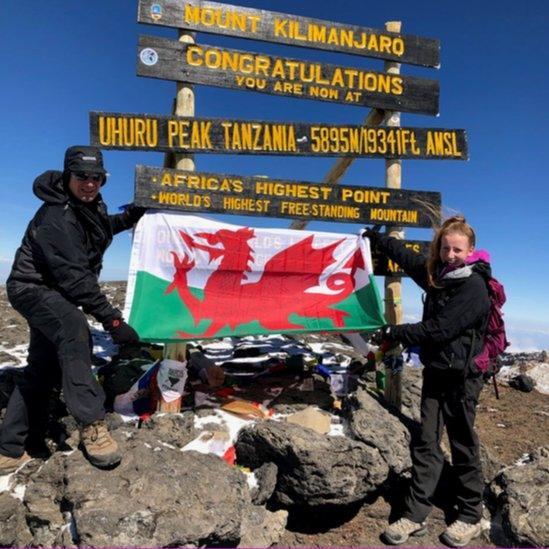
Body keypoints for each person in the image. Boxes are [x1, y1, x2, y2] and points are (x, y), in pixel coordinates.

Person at [0, 146, 145, 473]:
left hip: (53, 292)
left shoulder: (87, 206)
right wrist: (112, 320)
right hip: (33, 288)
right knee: (75, 331)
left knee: (43, 367)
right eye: (82, 176)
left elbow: (100, 229)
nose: (90, 183)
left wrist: (131, 215)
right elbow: (75, 278)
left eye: (97, 177)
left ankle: (9, 448)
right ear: (68, 176)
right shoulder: (57, 217)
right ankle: (92, 426)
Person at [366, 216, 491, 548]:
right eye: (446, 248)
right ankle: (415, 514)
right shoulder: (440, 277)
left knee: (463, 444)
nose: (450, 255)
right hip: (436, 372)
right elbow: (409, 262)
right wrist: (380, 241)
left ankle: (470, 516)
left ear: (471, 251)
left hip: (463, 379)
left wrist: (394, 333)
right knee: (426, 441)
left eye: (457, 249)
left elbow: (440, 330)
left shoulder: (474, 287)